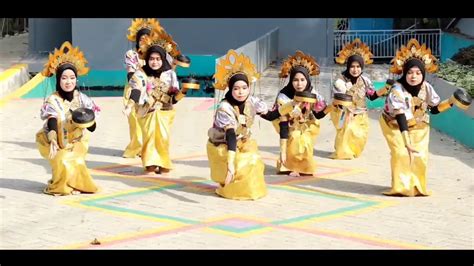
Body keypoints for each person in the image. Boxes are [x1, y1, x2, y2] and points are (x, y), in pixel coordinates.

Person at [380, 39, 472, 196]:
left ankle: (416, 187)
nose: (414, 77)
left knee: (420, 156)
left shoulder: (426, 88)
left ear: (423, 74)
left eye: (418, 73)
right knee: (402, 153)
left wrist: (451, 102)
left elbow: (434, 109)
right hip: (395, 125)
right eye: (410, 72)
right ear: (404, 73)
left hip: (419, 125)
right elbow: (400, 115)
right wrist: (407, 142)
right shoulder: (397, 89)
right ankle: (401, 187)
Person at [207, 50, 295, 200]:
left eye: (244, 88)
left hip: (241, 141)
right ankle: (230, 189)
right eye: (236, 88)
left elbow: (271, 115)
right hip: (223, 146)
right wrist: (230, 164)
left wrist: (292, 104)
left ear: (249, 88)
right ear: (230, 89)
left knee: (254, 160)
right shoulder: (225, 108)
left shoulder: (252, 102)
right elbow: (229, 136)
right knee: (243, 162)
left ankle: (248, 191)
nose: (240, 92)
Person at [36, 41, 100, 196]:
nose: (68, 82)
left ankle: (77, 185)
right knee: (63, 160)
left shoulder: (82, 98)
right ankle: (60, 186)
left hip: (76, 140)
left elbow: (92, 126)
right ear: (58, 80)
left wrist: (88, 121)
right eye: (64, 78)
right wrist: (52, 140)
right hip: (54, 140)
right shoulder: (53, 99)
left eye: (72, 77)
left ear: (76, 79)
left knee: (77, 160)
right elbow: (52, 119)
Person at [124, 28, 188, 176]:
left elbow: (174, 98)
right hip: (147, 112)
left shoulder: (170, 75)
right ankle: (150, 163)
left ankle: (163, 162)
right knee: (149, 138)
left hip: (165, 112)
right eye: (151, 59)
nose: (154, 62)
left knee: (163, 138)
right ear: (147, 59)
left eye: (158, 59)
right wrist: (129, 106)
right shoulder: (141, 73)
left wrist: (184, 91)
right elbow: (136, 90)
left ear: (163, 59)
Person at [271, 51, 332, 176]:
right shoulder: (284, 97)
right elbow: (283, 124)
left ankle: (305, 167)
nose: (299, 84)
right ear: (291, 81)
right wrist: (282, 150)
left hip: (306, 125)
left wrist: (333, 106)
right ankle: (285, 163)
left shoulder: (313, 93)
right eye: (295, 80)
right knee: (294, 137)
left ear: (307, 79)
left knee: (305, 140)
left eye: (302, 80)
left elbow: (319, 114)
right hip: (287, 125)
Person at [332, 38, 390, 159]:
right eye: (352, 66)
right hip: (344, 112)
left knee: (360, 136)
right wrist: (346, 111)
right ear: (348, 66)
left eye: (358, 66)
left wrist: (385, 89)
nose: (355, 69)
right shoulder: (340, 80)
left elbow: (372, 96)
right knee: (347, 130)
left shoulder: (365, 80)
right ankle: (343, 152)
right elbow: (337, 99)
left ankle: (352, 150)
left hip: (361, 113)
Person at [122, 18, 164, 158]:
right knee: (134, 120)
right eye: (141, 38)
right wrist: (137, 87)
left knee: (149, 120)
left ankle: (148, 147)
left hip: (151, 91)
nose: (144, 41)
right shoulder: (131, 54)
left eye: (147, 38)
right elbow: (130, 73)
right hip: (134, 89)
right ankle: (135, 147)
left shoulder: (154, 55)